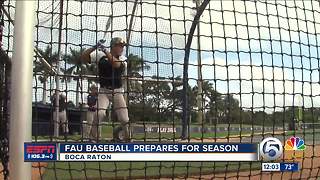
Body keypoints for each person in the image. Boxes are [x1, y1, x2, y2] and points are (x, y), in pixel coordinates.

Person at [81, 37, 130, 142]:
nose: (122, 48)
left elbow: (115, 64)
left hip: (117, 91)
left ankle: (127, 138)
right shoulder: (100, 56)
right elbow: (84, 57)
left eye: (122, 46)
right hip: (104, 91)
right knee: (99, 114)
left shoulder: (123, 59)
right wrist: (95, 46)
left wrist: (104, 50)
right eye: (119, 46)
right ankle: (93, 139)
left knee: (124, 119)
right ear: (113, 46)